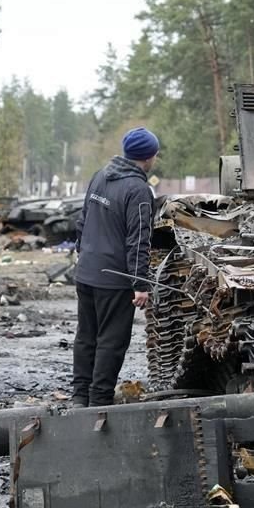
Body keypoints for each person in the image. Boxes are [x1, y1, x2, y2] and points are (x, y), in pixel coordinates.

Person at [71, 127, 159, 407]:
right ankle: (99, 402)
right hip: (114, 280)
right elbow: (139, 239)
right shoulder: (138, 189)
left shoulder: (99, 176)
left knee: (86, 336)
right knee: (111, 341)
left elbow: (82, 222)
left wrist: (82, 255)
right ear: (150, 157)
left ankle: (79, 397)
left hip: (86, 273)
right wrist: (140, 284)